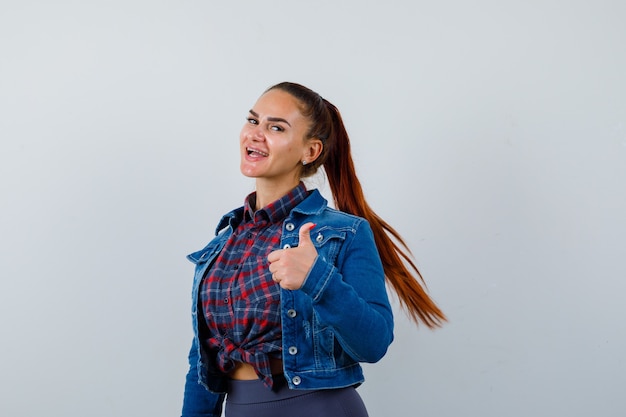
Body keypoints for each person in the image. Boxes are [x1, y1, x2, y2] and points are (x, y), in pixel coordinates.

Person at [181, 82, 446, 417]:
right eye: (253, 121)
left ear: (310, 151)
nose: (256, 134)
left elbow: (375, 343)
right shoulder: (221, 246)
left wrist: (317, 279)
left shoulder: (343, 233)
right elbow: (201, 363)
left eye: (275, 127)